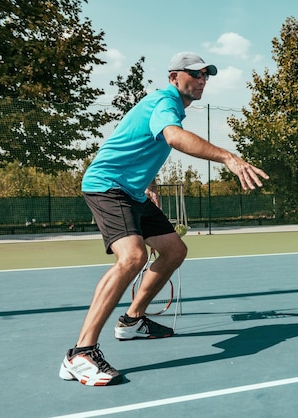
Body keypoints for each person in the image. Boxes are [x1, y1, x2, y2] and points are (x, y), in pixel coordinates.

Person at [59, 52, 269, 386]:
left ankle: (131, 321)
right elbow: (172, 137)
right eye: (195, 74)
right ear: (174, 77)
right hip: (107, 187)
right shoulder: (165, 102)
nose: (202, 80)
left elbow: (139, 144)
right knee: (133, 257)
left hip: (133, 191)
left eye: (206, 76)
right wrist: (228, 157)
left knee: (174, 250)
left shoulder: (165, 107)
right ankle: (80, 353)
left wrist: (149, 184)